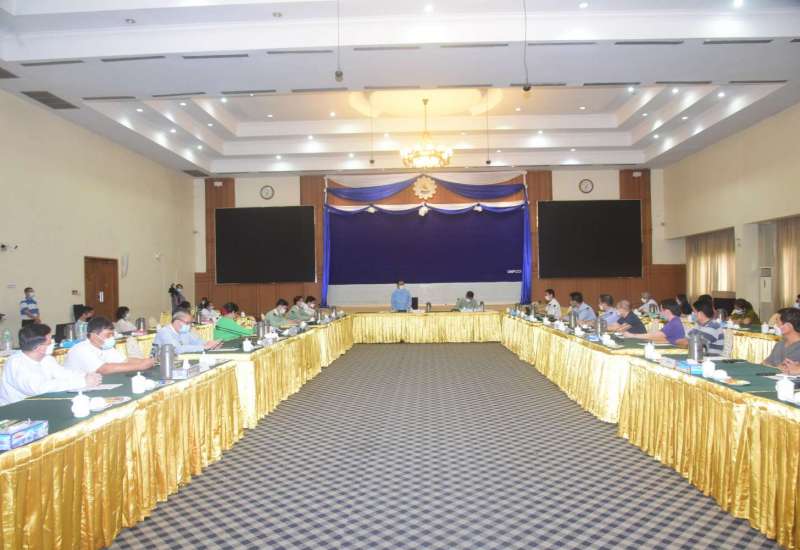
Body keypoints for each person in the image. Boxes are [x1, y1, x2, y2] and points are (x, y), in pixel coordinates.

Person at [0, 324, 101, 406]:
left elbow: (63, 373)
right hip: (14, 412)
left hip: (37, 405)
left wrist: (86, 376)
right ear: (38, 347)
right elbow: (39, 388)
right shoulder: (16, 364)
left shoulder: (46, 359)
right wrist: (81, 381)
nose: (53, 343)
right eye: (49, 342)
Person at [64, 317, 155, 374]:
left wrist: (146, 361)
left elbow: (125, 360)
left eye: (112, 335)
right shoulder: (81, 349)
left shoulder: (106, 347)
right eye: (108, 335)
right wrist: (140, 366)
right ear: (93, 335)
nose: (111, 338)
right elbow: (103, 369)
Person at [152, 309, 220, 355]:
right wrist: (204, 347)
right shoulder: (164, 332)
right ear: (177, 322)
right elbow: (177, 349)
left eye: (191, 323)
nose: (190, 325)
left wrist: (208, 344)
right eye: (188, 323)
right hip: (161, 365)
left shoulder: (184, 331)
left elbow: (197, 341)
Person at [763, 308, 800, 372]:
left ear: (788, 326)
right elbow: (766, 363)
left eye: (777, 323)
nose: (775, 326)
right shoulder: (780, 344)